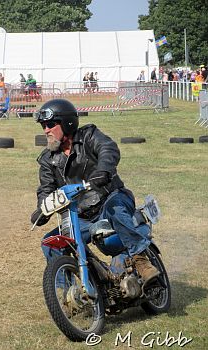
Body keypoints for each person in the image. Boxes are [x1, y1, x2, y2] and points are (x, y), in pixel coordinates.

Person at [31, 99, 160, 283]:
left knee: (116, 211)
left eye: (51, 124)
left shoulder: (88, 136)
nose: (46, 130)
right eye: (44, 126)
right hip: (81, 215)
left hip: (110, 197)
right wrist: (42, 209)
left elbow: (108, 148)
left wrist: (103, 171)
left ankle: (140, 259)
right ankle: (71, 294)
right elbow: (46, 189)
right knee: (50, 243)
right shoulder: (48, 159)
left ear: (67, 123)